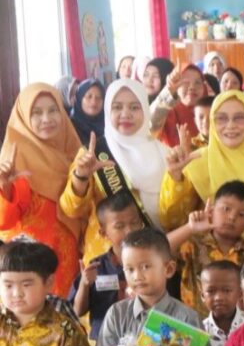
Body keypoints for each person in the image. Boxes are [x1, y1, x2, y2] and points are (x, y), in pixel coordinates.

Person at [160, 89, 244, 247]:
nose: (230, 125)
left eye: (239, 118)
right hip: (213, 259)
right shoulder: (197, 163)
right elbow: (171, 221)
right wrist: (175, 176)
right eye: (221, 118)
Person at [60, 79, 171, 263]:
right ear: (107, 111)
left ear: (145, 109)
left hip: (154, 257)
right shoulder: (93, 153)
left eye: (134, 107)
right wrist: (81, 177)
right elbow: (71, 210)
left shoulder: (164, 153)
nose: (125, 114)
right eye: (117, 107)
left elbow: (176, 211)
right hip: (107, 261)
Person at [95, 228, 209, 346]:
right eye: (130, 269)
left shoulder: (187, 317)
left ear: (168, 269)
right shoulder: (117, 314)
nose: (137, 276)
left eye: (145, 267)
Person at [0, 83, 84, 296]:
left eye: (53, 110)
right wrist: (4, 189)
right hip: (27, 268)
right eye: (36, 113)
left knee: (64, 312)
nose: (46, 119)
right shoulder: (14, 159)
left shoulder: (73, 151)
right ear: (23, 117)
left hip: (68, 260)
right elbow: (4, 222)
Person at [165, 179, 244, 316]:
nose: (232, 217)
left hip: (238, 325)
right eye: (226, 209)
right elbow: (157, 249)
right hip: (192, 323)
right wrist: (190, 228)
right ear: (212, 211)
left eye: (242, 215)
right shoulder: (193, 243)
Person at [69, 190, 144, 340]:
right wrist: (84, 284)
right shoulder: (97, 267)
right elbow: (78, 311)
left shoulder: (150, 263)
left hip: (142, 340)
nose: (129, 231)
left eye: (134, 223)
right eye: (120, 226)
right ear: (104, 233)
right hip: (105, 342)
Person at [199, 260, 244, 346]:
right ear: (202, 296)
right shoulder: (200, 331)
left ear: (240, 293)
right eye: (211, 291)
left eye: (227, 290)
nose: (218, 297)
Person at [70, 79, 105, 145]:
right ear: (79, 98)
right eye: (89, 97)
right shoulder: (70, 127)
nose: (94, 102)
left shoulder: (109, 125)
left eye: (98, 97)